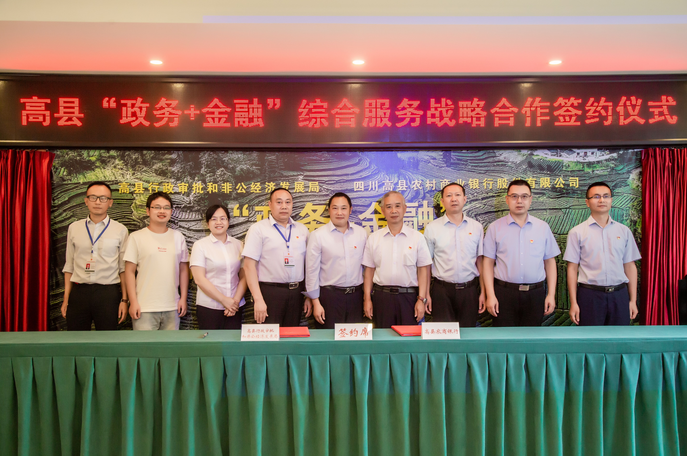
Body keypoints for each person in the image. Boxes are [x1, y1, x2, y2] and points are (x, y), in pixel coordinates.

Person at [482, 179, 560, 326]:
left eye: (524, 196)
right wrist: (490, 295)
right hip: (504, 293)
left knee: (531, 337)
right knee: (504, 336)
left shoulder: (542, 227)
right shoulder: (495, 228)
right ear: (507, 199)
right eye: (514, 196)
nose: (519, 201)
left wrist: (551, 294)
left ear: (530, 200)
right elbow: (487, 263)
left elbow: (550, 262)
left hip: (535, 294)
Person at [564, 182, 641, 325]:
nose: (601, 200)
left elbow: (630, 266)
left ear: (611, 200)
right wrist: (573, 303)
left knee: (619, 337)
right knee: (590, 338)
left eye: (606, 196)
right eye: (596, 197)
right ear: (587, 202)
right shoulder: (577, 232)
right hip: (589, 296)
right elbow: (572, 269)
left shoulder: (624, 231)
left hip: (619, 295)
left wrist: (632, 300)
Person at [61, 181, 129, 330]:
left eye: (103, 198)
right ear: (86, 201)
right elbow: (69, 266)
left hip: (107, 293)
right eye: (93, 197)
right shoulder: (74, 228)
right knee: (77, 338)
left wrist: (124, 300)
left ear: (110, 202)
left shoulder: (120, 230)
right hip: (79, 292)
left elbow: (123, 268)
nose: (98, 202)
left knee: (107, 339)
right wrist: (66, 299)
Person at [242, 188, 312, 325]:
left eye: (288, 202)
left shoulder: (302, 230)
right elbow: (249, 267)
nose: (284, 206)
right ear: (270, 204)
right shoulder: (258, 229)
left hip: (296, 293)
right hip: (269, 293)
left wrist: (309, 295)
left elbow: (309, 265)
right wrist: (258, 299)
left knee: (291, 335)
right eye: (279, 202)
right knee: (269, 336)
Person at [362, 191, 432, 328]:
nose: (393, 210)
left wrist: (421, 299)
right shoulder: (374, 238)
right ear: (383, 211)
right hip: (381, 298)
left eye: (397, 206)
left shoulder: (417, 237)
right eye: (389, 207)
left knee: (408, 338)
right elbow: (369, 272)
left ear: (405, 209)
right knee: (383, 338)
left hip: (409, 298)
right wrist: (367, 299)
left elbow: (423, 270)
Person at [124, 191, 189, 330]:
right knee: (144, 345)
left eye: (166, 208)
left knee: (171, 345)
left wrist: (183, 298)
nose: (162, 211)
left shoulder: (178, 237)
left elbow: (184, 270)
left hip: (173, 307)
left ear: (171, 211)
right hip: (144, 307)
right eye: (157, 207)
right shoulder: (136, 237)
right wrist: (133, 302)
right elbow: (129, 272)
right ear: (148, 211)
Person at [424, 183, 485, 326]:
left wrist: (483, 292)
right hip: (441, 291)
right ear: (442, 201)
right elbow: (426, 265)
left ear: (464, 199)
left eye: (457, 195)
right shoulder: (432, 228)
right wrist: (426, 294)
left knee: (468, 334)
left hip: (469, 290)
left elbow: (480, 262)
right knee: (444, 335)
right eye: (449, 196)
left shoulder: (476, 227)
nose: (453, 199)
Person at [305, 192, 367, 328]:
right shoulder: (318, 235)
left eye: (343, 208)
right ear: (329, 210)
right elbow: (311, 271)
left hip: (356, 297)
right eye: (335, 208)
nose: (339, 212)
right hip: (329, 297)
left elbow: (367, 267)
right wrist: (315, 302)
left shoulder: (361, 233)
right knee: (328, 339)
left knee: (354, 336)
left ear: (350, 210)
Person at [190, 205, 247, 330]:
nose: (219, 222)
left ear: (228, 221)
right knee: (211, 342)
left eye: (222, 218)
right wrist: (224, 300)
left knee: (232, 341)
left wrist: (235, 302)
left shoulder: (238, 244)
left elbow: (244, 276)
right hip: (209, 307)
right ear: (207, 223)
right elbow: (199, 279)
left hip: (235, 307)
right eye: (214, 219)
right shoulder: (200, 245)